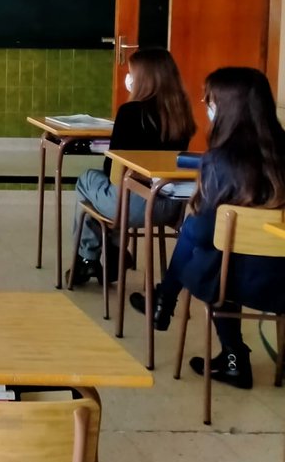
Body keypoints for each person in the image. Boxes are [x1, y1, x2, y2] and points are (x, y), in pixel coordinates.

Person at [131, 67, 285, 390]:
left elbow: (204, 232)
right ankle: (166, 301)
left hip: (231, 281)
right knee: (213, 243)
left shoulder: (219, 161)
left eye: (210, 99)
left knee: (204, 243)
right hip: (279, 282)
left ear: (229, 108)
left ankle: (228, 352)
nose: (205, 105)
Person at [69, 47, 196, 285]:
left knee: (88, 180)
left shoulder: (129, 112)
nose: (129, 79)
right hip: (169, 206)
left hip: (130, 207)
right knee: (110, 191)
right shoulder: (182, 114)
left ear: (144, 79)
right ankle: (115, 253)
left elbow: (112, 171)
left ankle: (88, 258)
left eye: (131, 73)